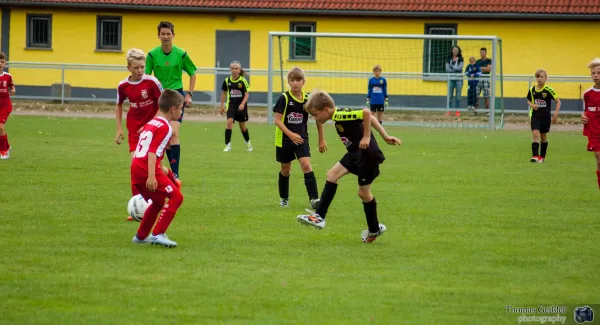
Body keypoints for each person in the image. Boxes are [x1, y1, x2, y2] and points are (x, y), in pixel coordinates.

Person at [296, 90, 402, 243]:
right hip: (355, 154)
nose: (315, 118)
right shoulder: (336, 116)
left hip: (367, 155)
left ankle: (374, 229)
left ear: (326, 110)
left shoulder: (340, 115)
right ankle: (319, 217)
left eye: (315, 114)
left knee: (363, 193)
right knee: (332, 175)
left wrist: (366, 136)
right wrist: (385, 137)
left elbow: (367, 113)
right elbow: (370, 117)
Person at [130, 89, 185, 248]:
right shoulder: (166, 127)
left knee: (158, 201)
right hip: (147, 169)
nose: (181, 113)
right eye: (181, 109)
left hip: (136, 168)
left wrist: (166, 173)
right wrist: (152, 176)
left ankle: (140, 236)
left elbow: (154, 154)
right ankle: (157, 234)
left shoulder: (151, 123)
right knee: (177, 198)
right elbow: (153, 151)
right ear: (173, 109)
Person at [145, 21, 197, 179]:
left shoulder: (181, 54)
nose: (166, 36)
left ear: (173, 35)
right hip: (160, 98)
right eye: (163, 34)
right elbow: (147, 78)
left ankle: (175, 173)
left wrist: (189, 94)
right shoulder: (152, 55)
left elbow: (192, 73)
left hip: (176, 97)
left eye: (169, 34)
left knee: (173, 132)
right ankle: (165, 170)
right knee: (163, 136)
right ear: (158, 35)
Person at [274, 67, 327, 208]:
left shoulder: (307, 100)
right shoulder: (284, 98)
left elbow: (318, 118)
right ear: (288, 82)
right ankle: (284, 198)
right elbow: (277, 120)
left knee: (306, 165)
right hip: (284, 139)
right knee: (285, 169)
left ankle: (314, 200)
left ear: (304, 82)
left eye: (298, 80)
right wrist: (290, 134)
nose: (295, 83)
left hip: (301, 138)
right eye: (292, 80)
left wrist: (321, 139)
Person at [526, 69, 561, 163]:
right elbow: (528, 100)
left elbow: (558, 101)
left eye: (542, 77)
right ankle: (535, 156)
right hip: (535, 116)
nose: (539, 79)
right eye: (538, 77)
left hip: (545, 117)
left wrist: (555, 114)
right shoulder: (532, 90)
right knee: (535, 133)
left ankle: (542, 157)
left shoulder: (549, 90)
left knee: (543, 136)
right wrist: (533, 105)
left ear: (545, 78)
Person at [220, 61, 252, 152]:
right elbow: (224, 93)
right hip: (231, 106)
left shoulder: (242, 81)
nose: (234, 70)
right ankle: (227, 145)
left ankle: (248, 143)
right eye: (232, 68)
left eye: (236, 69)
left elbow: (247, 94)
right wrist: (221, 106)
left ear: (239, 70)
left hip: (241, 107)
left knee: (242, 127)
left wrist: (242, 104)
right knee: (229, 122)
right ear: (230, 70)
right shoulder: (227, 81)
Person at [581, 58, 600, 190]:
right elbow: (585, 111)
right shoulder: (587, 94)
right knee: (599, 158)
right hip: (594, 131)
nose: (595, 75)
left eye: (598, 73)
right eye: (593, 73)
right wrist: (583, 117)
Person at [0, 52, 15, 160]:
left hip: (5, 104)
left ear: (5, 64)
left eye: (2, 62)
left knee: (0, 127)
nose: (0, 64)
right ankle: (7, 146)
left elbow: (11, 85)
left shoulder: (8, 76)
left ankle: (3, 151)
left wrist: (13, 89)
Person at [445, 46, 464, 116]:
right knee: (450, 95)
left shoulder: (461, 59)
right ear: (452, 51)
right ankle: (448, 111)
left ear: (458, 51)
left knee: (458, 95)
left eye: (456, 50)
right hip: (450, 79)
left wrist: (452, 68)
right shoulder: (448, 58)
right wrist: (455, 70)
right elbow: (447, 69)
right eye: (454, 50)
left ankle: (457, 111)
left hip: (459, 79)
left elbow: (460, 68)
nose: (455, 51)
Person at [475, 47, 492, 115]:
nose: (482, 54)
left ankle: (487, 111)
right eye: (481, 52)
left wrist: (480, 69)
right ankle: (475, 110)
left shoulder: (489, 60)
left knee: (486, 95)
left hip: (486, 79)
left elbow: (489, 69)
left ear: (486, 52)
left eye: (483, 52)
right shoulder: (477, 61)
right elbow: (476, 69)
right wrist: (484, 68)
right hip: (478, 79)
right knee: (476, 95)